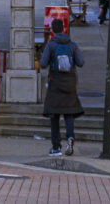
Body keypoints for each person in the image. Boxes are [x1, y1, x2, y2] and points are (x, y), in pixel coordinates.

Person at [40, 18, 85, 157]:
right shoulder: (72, 45)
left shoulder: (51, 45)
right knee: (69, 114)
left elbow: (42, 63)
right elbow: (81, 62)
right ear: (64, 29)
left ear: (53, 30)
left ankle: (56, 147)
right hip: (70, 83)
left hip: (55, 83)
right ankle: (70, 138)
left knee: (54, 116)